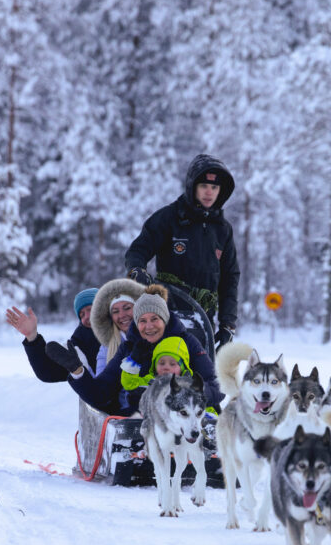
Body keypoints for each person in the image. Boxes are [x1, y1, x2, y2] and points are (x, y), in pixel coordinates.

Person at [45, 284, 222, 417]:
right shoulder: (130, 348)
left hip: (188, 416)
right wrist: (78, 372)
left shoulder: (186, 342)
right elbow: (101, 393)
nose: (149, 326)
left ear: (165, 319)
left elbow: (216, 387)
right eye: (142, 321)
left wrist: (179, 391)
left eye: (155, 319)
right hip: (144, 419)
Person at [124, 153, 240, 349]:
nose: (209, 192)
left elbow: (230, 279)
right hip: (167, 315)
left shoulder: (223, 230)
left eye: (214, 187)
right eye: (204, 186)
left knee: (202, 377)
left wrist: (228, 324)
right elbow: (138, 250)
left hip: (204, 321)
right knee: (165, 371)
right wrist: (137, 270)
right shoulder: (169, 218)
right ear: (192, 186)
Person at [6, 289, 101, 383]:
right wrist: (32, 336)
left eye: (90, 310)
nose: (87, 316)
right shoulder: (78, 346)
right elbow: (47, 372)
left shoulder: (116, 335)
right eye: (82, 314)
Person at [87, 277, 144, 374]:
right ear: (110, 317)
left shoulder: (153, 337)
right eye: (115, 311)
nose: (122, 315)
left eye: (127, 308)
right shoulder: (106, 348)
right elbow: (101, 384)